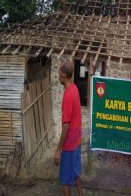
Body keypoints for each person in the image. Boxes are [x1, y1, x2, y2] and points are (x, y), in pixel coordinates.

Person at [54, 60, 82, 196]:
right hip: (76, 140)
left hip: (69, 144)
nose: (58, 75)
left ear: (64, 75)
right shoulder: (75, 88)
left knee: (65, 181)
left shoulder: (68, 96)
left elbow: (65, 126)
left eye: (59, 73)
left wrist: (58, 150)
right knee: (75, 173)